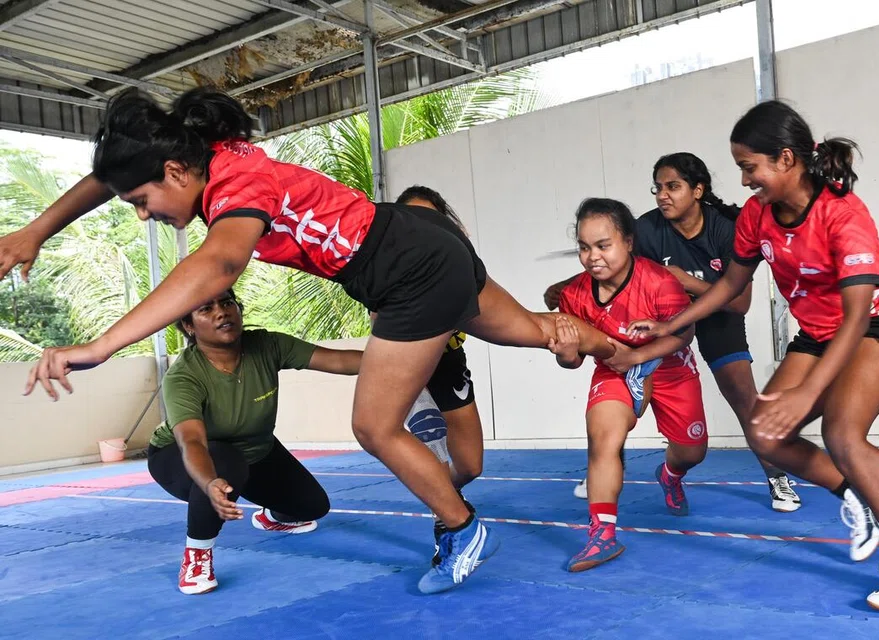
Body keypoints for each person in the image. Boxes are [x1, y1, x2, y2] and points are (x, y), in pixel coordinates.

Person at [8, 87, 619, 594]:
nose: (143, 214)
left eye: (141, 202)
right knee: (535, 330)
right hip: (424, 238)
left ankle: (463, 530)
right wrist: (37, 229)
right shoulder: (208, 153)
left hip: (405, 271)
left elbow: (219, 266)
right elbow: (109, 177)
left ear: (173, 172)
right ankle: (626, 355)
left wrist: (102, 347)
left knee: (374, 427)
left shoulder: (233, 191)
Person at [629, 100, 879, 613]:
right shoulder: (757, 215)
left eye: (749, 167)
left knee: (842, 433)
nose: (743, 180)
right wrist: (672, 323)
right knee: (765, 434)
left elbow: (856, 318)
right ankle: (856, 494)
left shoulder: (843, 214)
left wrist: (807, 392)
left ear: (785, 159)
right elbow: (730, 285)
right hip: (820, 332)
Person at [545, 153, 801, 513]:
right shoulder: (647, 228)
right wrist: (569, 285)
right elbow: (611, 258)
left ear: (697, 190)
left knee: (743, 396)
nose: (663, 195)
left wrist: (685, 281)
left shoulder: (725, 228)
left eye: (673, 187)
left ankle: (776, 477)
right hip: (662, 318)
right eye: (658, 188)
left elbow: (739, 302)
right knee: (623, 389)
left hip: (717, 316)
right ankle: (604, 465)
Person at [147, 288, 362, 595]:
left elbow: (338, 360)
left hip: (256, 450)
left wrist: (405, 359)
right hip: (183, 458)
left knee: (312, 506)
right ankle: (196, 556)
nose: (221, 312)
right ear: (189, 326)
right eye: (206, 309)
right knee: (226, 463)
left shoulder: (267, 345)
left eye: (227, 303)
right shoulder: (183, 376)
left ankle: (270, 517)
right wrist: (208, 482)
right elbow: (192, 440)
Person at [553, 197, 708, 572]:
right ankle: (602, 534)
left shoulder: (660, 282)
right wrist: (566, 354)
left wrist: (636, 358)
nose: (593, 257)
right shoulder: (573, 295)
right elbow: (573, 361)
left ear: (628, 242)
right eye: (584, 247)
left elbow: (683, 334)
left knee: (692, 452)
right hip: (614, 370)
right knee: (603, 440)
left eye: (603, 245)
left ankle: (670, 475)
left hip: (669, 368)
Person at [395, 185, 485, 566]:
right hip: (407, 364)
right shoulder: (389, 264)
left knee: (470, 465)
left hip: (448, 363)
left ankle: (445, 496)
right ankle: (448, 523)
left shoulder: (458, 260)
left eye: (430, 218)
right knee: (429, 434)